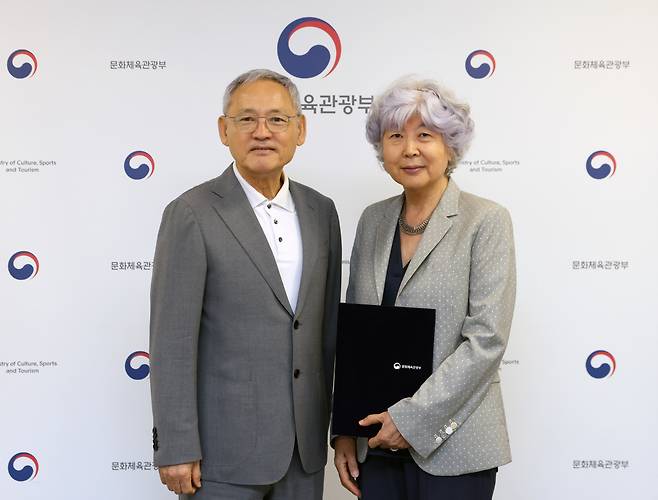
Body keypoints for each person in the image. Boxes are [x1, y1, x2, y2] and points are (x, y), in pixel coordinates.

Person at [149, 68, 341, 500]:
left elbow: (327, 334)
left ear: (300, 129)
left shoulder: (321, 212)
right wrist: (177, 446)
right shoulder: (191, 213)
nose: (262, 132)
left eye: (277, 119)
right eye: (246, 119)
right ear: (224, 130)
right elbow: (172, 342)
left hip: (303, 453)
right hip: (221, 458)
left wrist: (338, 429)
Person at [333, 77, 516, 500]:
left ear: (450, 146)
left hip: (456, 446)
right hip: (375, 443)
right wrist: (343, 429)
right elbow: (357, 335)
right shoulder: (372, 220)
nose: (409, 149)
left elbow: (487, 339)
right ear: (383, 151)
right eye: (396, 136)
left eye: (425, 135)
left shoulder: (485, 221)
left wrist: (411, 420)